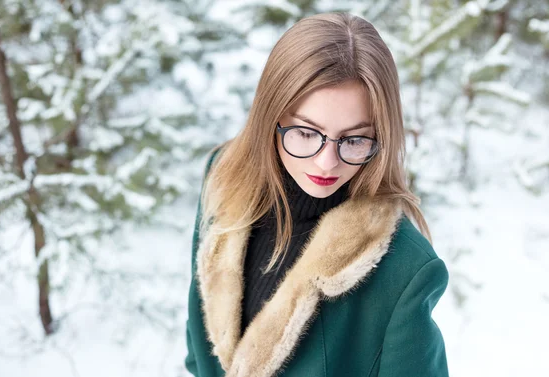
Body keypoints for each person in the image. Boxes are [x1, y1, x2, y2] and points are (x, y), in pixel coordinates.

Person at [184, 12, 450, 377]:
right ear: (270, 116)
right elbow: (199, 352)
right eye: (306, 133)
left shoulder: (404, 270)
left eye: (355, 139)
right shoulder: (223, 179)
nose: (326, 163)